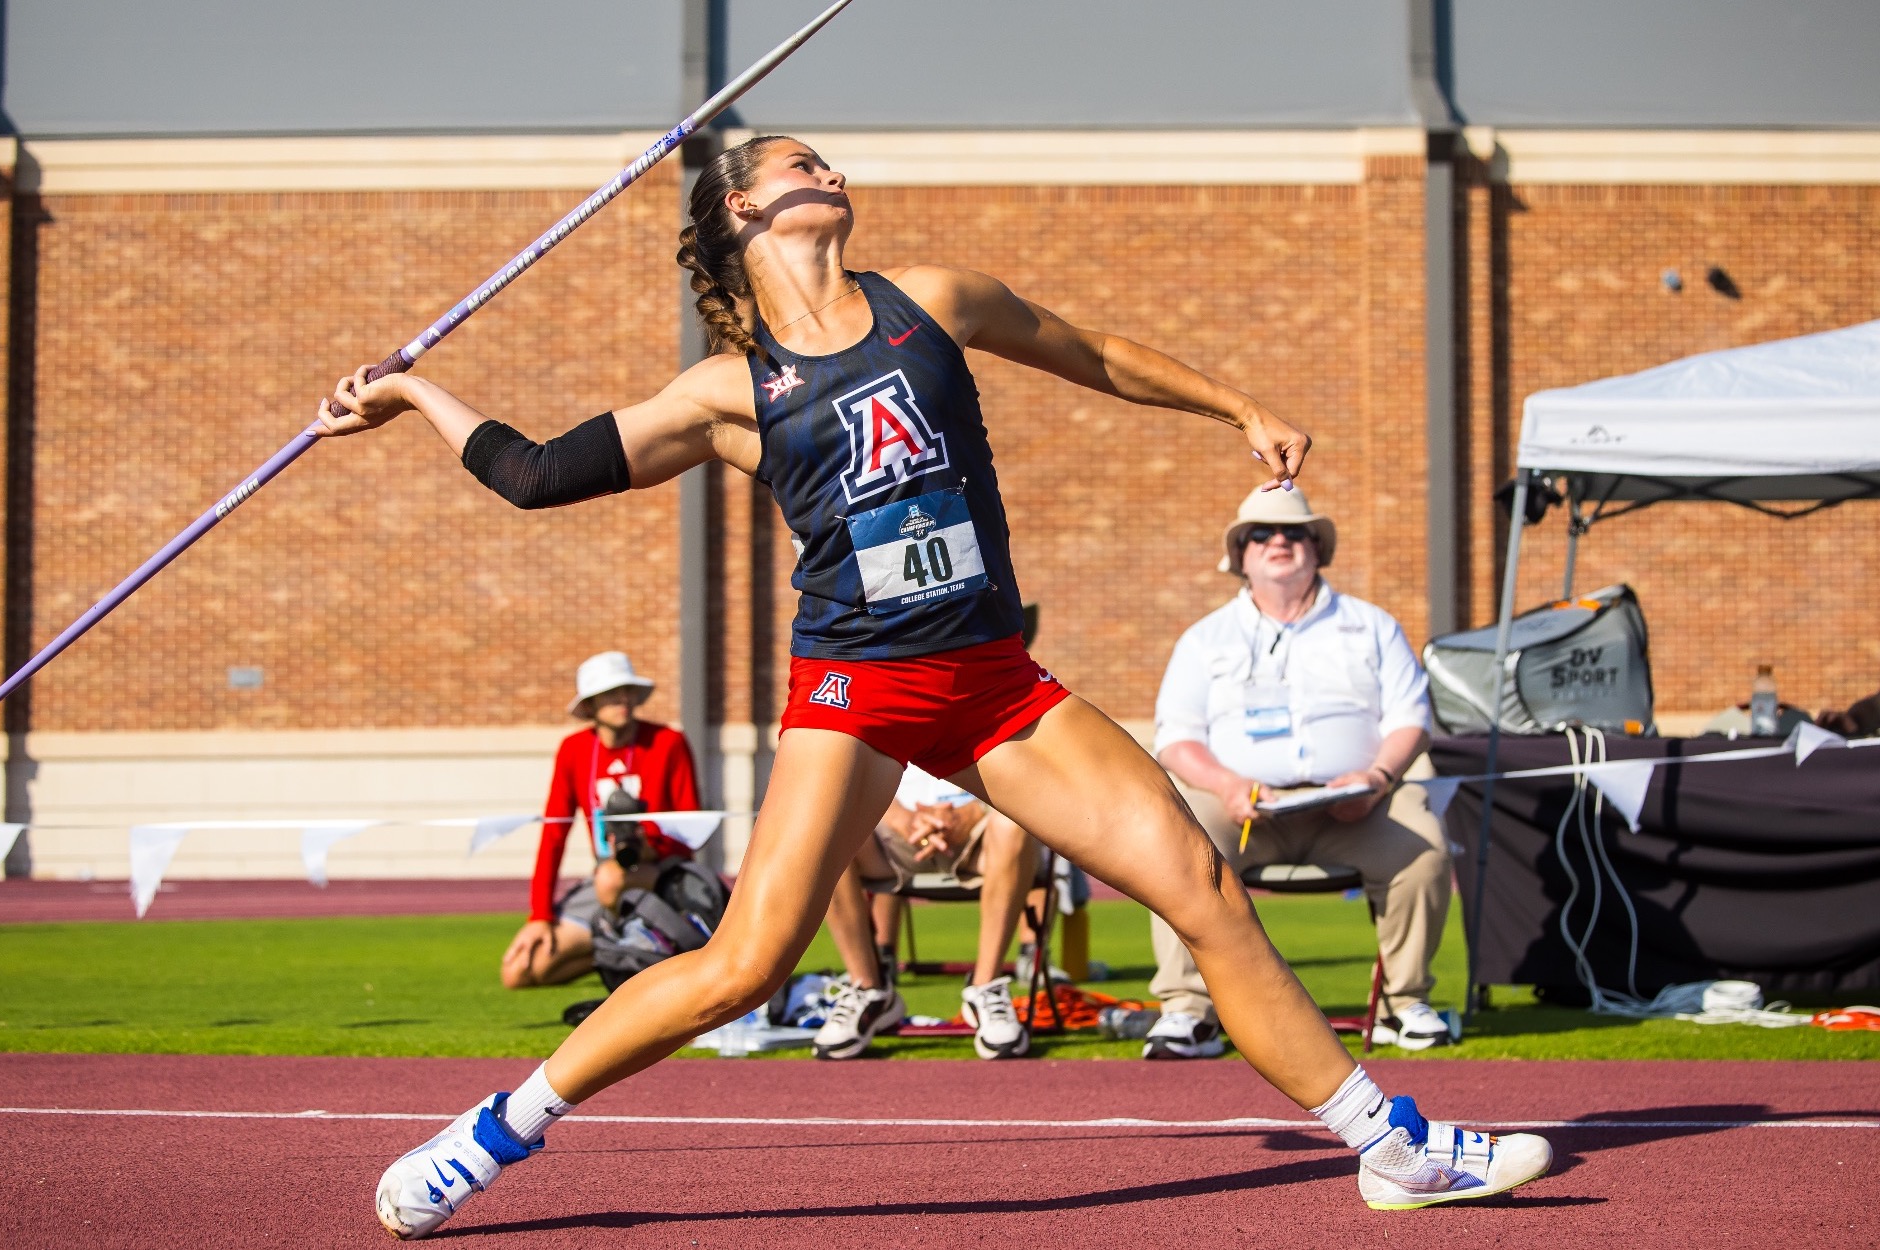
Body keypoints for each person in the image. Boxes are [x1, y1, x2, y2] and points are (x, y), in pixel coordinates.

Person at [316, 135, 1550, 1236]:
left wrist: (1238, 408)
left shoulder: (934, 301)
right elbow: (534, 474)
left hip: (994, 683)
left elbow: (1094, 352)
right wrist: (412, 391)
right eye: (801, 164)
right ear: (741, 207)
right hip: (855, 691)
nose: (831, 173)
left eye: (829, 162)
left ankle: (1391, 1146)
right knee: (745, 966)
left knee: (1202, 885)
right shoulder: (729, 392)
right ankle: (491, 1132)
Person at [1144, 485, 1454, 1059]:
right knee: (1173, 846)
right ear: (1241, 554)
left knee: (1423, 846)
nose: (1278, 541)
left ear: (1317, 548)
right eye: (1261, 534)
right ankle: (1189, 1012)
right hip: (1242, 809)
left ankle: (1404, 1003)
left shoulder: (1372, 625)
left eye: (1294, 532)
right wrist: (1225, 784)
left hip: (1358, 805)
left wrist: (1378, 778)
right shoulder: (1204, 638)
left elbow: (1412, 718)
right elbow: (1176, 739)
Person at [500, 651, 703, 989]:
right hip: (604, 877)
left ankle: (643, 946)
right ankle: (624, 953)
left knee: (610, 878)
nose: (622, 700)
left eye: (627, 690)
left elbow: (691, 832)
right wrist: (540, 915)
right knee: (519, 972)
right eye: (610, 693)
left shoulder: (668, 742)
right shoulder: (573, 750)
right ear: (590, 705)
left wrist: (649, 848)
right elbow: (553, 835)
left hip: (661, 872)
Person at [813, 762, 1040, 1060]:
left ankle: (985, 987)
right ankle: (869, 990)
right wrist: (900, 817)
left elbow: (1026, 770)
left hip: (980, 831)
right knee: (825, 826)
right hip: (894, 829)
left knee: (1013, 823)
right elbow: (856, 769)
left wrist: (974, 812)